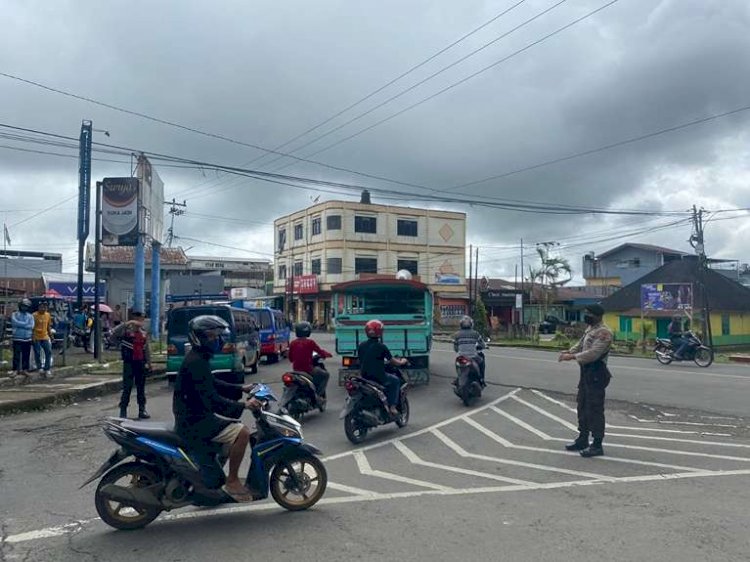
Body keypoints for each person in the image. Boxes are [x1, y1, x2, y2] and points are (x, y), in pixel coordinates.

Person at [173, 315, 261, 502]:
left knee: (231, 425)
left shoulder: (198, 358)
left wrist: (241, 388)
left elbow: (211, 382)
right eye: (212, 336)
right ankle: (233, 481)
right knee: (242, 432)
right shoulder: (196, 361)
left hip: (193, 416)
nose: (218, 340)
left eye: (219, 336)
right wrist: (244, 405)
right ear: (199, 338)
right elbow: (212, 398)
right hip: (195, 421)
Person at [558, 303, 613, 458]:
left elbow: (593, 353)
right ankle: (582, 438)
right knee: (582, 405)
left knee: (595, 408)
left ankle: (597, 444)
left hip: (597, 372)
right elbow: (581, 345)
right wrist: (569, 351)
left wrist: (572, 357)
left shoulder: (604, 333)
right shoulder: (590, 330)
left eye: (589, 313)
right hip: (586, 373)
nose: (586, 315)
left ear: (598, 315)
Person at [357, 319, 408, 417]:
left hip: (364, 377)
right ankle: (392, 407)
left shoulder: (361, 346)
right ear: (380, 332)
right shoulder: (381, 347)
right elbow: (394, 362)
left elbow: (362, 359)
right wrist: (402, 361)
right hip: (379, 377)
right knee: (395, 381)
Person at [111, 310, 152, 419]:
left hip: (141, 362)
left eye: (142, 319)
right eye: (138, 319)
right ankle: (123, 411)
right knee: (127, 387)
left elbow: (147, 349)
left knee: (141, 387)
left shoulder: (143, 333)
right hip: (129, 362)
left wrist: (149, 363)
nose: (140, 322)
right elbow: (113, 335)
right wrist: (126, 324)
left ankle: (142, 409)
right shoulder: (126, 332)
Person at [288, 321, 333, 402]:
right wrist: (327, 354)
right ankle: (318, 395)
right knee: (325, 375)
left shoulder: (293, 343)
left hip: (296, 371)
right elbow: (320, 352)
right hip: (308, 370)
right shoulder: (310, 342)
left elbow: (290, 358)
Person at [451, 315, 487, 387]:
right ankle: (481, 379)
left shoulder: (456, 335)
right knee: (482, 363)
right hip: (473, 356)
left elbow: (455, 349)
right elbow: (482, 344)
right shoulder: (475, 334)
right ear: (471, 324)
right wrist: (485, 346)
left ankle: (458, 379)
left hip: (461, 357)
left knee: (458, 366)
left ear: (461, 325)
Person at [10, 298, 34, 379]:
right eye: (23, 306)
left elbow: (31, 326)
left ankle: (25, 369)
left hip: (27, 338)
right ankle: (15, 370)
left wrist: (21, 325)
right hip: (17, 337)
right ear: (20, 306)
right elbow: (14, 323)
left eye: (26, 306)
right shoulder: (15, 314)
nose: (25, 308)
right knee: (16, 355)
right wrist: (25, 324)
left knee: (26, 355)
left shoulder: (30, 316)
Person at [32, 301, 54, 378]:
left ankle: (47, 368)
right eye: (41, 307)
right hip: (36, 337)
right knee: (37, 353)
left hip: (45, 336)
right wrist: (33, 337)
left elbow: (48, 326)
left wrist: (51, 335)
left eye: (45, 307)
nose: (43, 308)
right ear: (38, 307)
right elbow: (32, 327)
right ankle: (39, 367)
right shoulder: (34, 315)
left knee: (48, 352)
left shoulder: (48, 315)